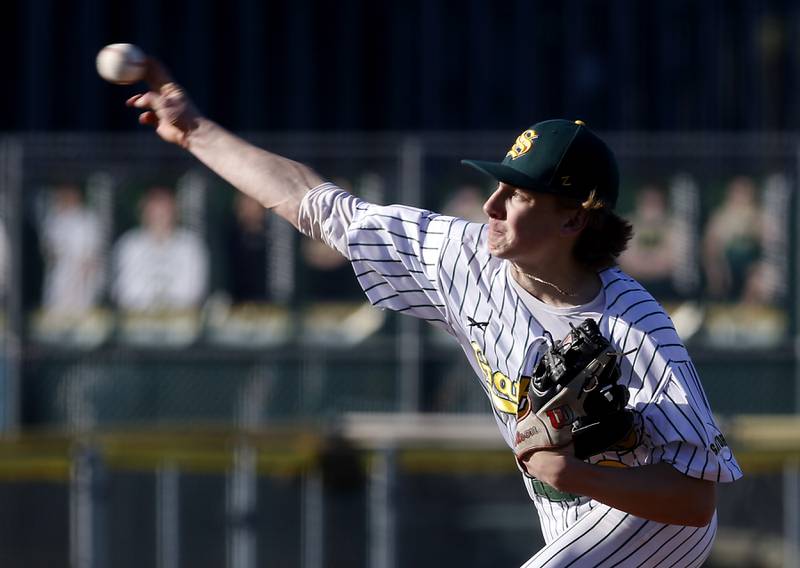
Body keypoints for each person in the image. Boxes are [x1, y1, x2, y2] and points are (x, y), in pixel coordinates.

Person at [127, 60, 741, 566]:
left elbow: (695, 500)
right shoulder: (464, 258)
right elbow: (318, 207)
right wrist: (196, 131)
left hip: (655, 533)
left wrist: (577, 475)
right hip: (571, 527)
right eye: (498, 185)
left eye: (519, 193)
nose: (493, 203)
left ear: (574, 217)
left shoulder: (634, 325)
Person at [112, 185, 209, 312]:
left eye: (164, 210)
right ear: (143, 212)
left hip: (181, 322)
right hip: (138, 321)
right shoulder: (129, 244)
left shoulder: (190, 245)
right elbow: (125, 290)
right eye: (154, 211)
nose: (159, 216)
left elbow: (193, 290)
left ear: (175, 211)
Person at [39, 184, 105, 316]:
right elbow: (49, 253)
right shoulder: (53, 219)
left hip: (82, 291)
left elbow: (91, 260)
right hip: (57, 287)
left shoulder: (88, 219)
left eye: (68, 191)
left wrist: (81, 290)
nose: (63, 196)